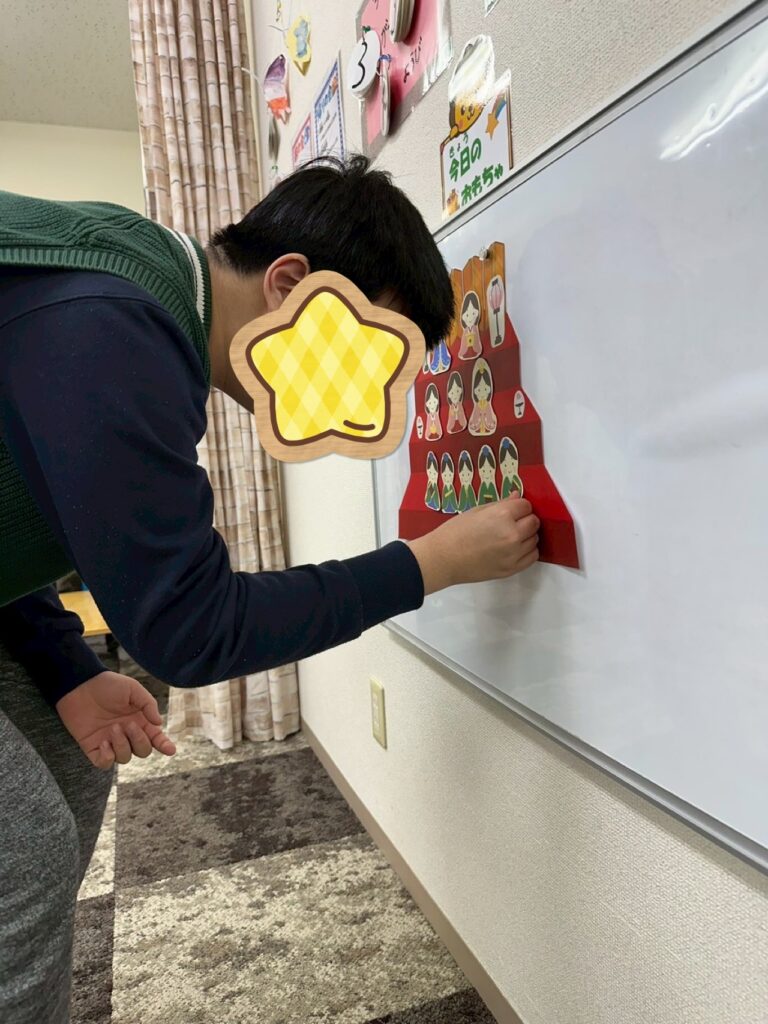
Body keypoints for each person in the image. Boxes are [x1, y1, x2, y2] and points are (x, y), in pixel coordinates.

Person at [0, 156, 539, 1024]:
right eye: (370, 356)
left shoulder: (139, 296)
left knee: (72, 772)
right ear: (290, 285)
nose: (368, 394)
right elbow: (192, 627)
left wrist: (64, 667)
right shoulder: (112, 326)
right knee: (21, 860)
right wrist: (427, 564)